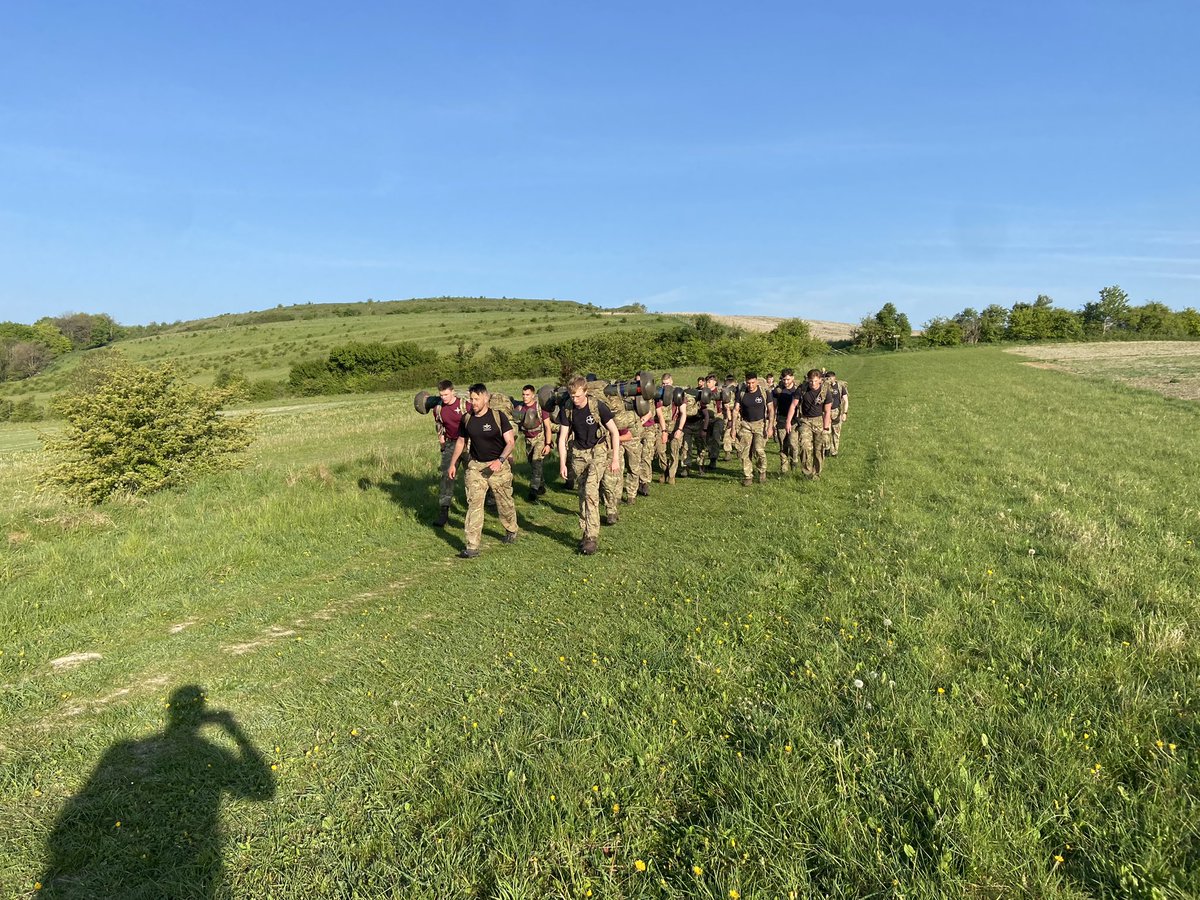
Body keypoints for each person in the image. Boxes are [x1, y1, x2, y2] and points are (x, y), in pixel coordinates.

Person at [447, 383, 518, 558]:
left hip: (497, 468)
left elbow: (510, 442)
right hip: (476, 467)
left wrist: (500, 460)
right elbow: (461, 442)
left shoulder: (497, 416)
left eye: (476, 399)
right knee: (474, 505)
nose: (473, 403)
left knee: (504, 503)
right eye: (471, 399)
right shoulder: (467, 418)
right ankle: (472, 546)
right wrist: (453, 463)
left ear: (486, 398)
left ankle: (511, 528)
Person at [558, 376, 622, 554]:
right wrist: (563, 463)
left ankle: (592, 537)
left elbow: (614, 432)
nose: (575, 400)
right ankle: (586, 533)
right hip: (579, 454)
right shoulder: (568, 409)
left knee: (590, 491)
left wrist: (615, 458)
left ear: (585, 392)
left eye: (578, 396)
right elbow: (562, 437)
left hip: (598, 451)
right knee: (582, 495)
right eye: (572, 396)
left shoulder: (597, 406)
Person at [431, 380, 469, 527]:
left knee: (472, 476)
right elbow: (439, 425)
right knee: (446, 476)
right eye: (441, 395)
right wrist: (442, 442)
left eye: (446, 394)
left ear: (453, 391)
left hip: (468, 443)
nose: (444, 398)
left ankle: (479, 507)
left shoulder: (464, 405)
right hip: (451, 444)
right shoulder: (439, 408)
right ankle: (444, 512)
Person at [512, 384, 553, 501]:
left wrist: (548, 443)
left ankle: (533, 491)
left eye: (527, 395)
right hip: (528, 441)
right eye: (523, 394)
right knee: (534, 464)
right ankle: (541, 486)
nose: (525, 397)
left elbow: (547, 427)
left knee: (536, 463)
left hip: (540, 438)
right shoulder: (520, 409)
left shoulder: (540, 408)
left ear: (533, 395)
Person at [736, 372, 773, 485]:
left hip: (760, 424)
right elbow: (735, 410)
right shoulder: (741, 392)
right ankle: (748, 476)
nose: (750, 385)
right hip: (746, 424)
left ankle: (762, 471)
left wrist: (770, 426)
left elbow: (771, 409)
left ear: (757, 381)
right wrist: (733, 427)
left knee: (759, 450)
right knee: (745, 452)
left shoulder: (764, 392)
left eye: (753, 383)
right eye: (748, 383)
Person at [796, 369, 833, 479]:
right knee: (805, 446)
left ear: (820, 380)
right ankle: (807, 472)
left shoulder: (825, 392)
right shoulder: (802, 389)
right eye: (811, 381)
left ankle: (816, 473)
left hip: (819, 421)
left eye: (815, 381)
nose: (813, 383)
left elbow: (827, 412)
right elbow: (794, 405)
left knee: (818, 449)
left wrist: (826, 429)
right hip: (805, 421)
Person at [773, 368, 801, 474]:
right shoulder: (778, 391)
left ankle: (794, 461)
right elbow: (774, 406)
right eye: (784, 379)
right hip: (781, 420)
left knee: (793, 444)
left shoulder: (797, 390)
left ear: (792, 378)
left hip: (794, 421)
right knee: (783, 445)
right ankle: (784, 468)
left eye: (788, 379)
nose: (786, 382)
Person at [824, 371, 849, 456]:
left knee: (836, 432)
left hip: (836, 411)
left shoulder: (840, 387)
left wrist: (845, 413)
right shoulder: (824, 387)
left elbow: (846, 400)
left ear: (835, 378)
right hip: (825, 412)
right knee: (826, 432)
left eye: (831, 378)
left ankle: (834, 451)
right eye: (828, 378)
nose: (830, 380)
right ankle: (827, 448)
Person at [704, 374, 725, 470]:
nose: (707, 384)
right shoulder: (704, 392)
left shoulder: (720, 392)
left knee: (716, 437)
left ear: (714, 382)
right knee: (707, 439)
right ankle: (706, 457)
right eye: (707, 382)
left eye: (709, 382)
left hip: (718, 417)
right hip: (707, 418)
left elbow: (726, 404)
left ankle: (713, 460)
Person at [722, 373, 738, 459]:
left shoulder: (736, 390)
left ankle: (737, 450)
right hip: (731, 413)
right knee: (730, 432)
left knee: (736, 433)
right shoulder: (727, 391)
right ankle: (729, 452)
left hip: (735, 413)